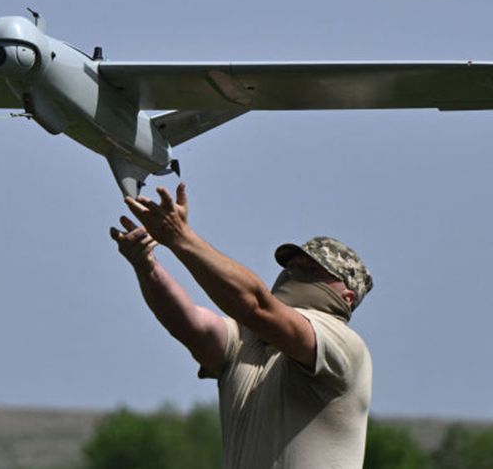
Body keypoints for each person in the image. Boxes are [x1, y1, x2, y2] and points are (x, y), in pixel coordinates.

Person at [109, 182, 373, 469]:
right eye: (291, 267)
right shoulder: (250, 338)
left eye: (310, 270)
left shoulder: (342, 343)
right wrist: (146, 265)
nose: (292, 274)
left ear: (345, 297)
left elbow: (255, 305)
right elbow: (191, 325)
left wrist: (180, 237)